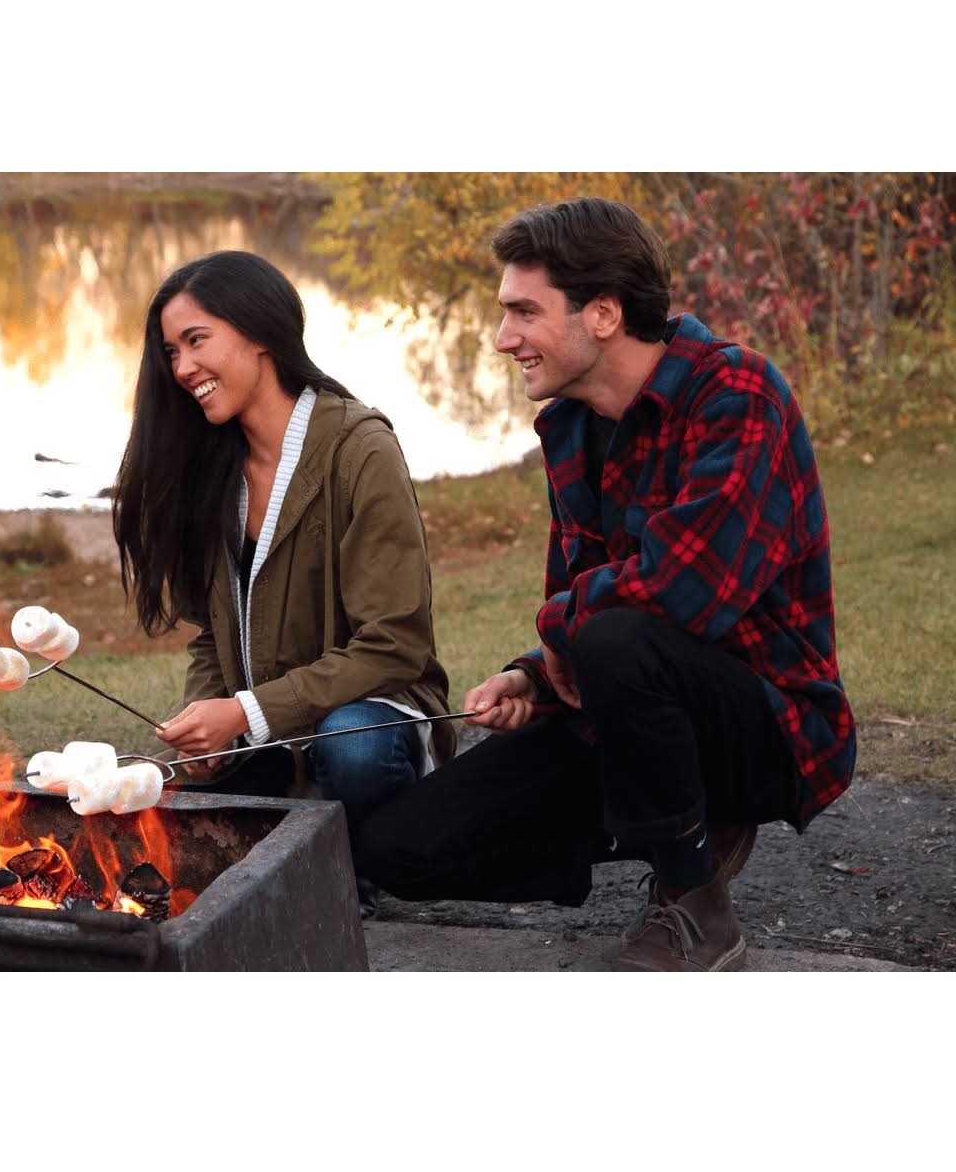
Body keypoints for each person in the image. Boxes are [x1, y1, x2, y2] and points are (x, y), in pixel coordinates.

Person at [353, 198, 857, 970]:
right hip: (635, 703)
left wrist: (562, 636)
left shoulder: (738, 394)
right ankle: (673, 819)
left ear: (604, 314)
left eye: (524, 312)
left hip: (771, 726)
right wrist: (535, 678)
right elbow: (591, 601)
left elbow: (688, 590)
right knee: (397, 848)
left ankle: (694, 903)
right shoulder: (573, 426)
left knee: (612, 636)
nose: (504, 338)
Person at [113, 250, 455, 913]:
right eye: (172, 352)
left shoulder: (360, 449)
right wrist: (204, 725)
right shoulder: (212, 467)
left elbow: (395, 645)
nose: (181, 369)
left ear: (260, 332)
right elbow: (211, 637)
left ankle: (357, 862)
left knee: (353, 749)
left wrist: (244, 713)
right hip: (267, 733)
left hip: (372, 715)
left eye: (197, 341)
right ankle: (293, 832)